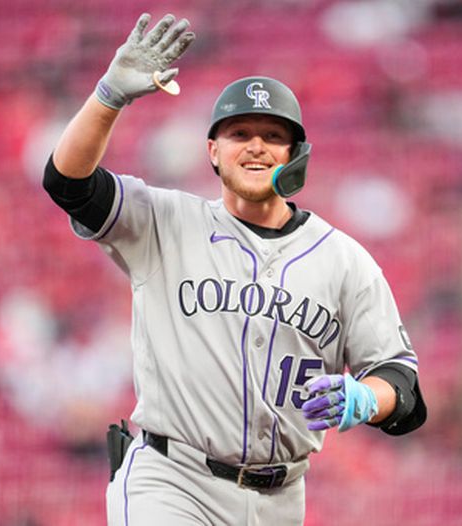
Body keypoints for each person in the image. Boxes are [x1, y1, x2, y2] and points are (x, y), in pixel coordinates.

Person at [43, 12, 427, 526]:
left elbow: (401, 382)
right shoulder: (166, 221)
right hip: (172, 481)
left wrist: (365, 398)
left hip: (281, 497)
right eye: (238, 133)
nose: (256, 146)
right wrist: (109, 95)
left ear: (296, 155)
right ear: (213, 151)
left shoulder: (344, 260)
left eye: (273, 135)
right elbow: (68, 183)